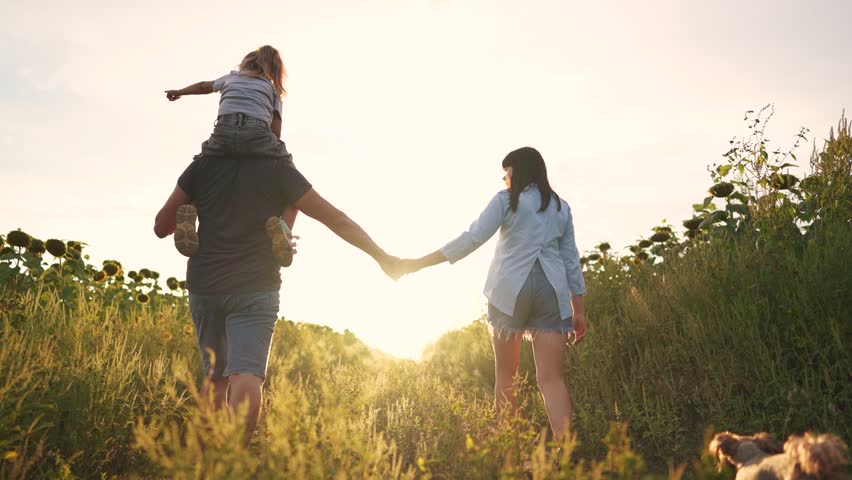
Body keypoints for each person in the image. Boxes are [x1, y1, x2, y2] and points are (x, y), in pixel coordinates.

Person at [154, 151, 399, 443]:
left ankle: (210, 464)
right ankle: (232, 462)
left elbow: (160, 227)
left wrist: (193, 203)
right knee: (246, 375)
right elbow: (337, 219)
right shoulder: (280, 167)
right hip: (255, 285)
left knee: (214, 378)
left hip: (205, 283)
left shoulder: (202, 164)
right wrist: (382, 256)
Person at [399, 147, 588, 439]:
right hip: (552, 292)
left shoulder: (507, 201)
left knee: (506, 375)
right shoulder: (561, 207)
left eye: (506, 173)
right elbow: (570, 260)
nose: (504, 180)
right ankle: (567, 457)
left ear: (517, 171)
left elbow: (472, 238)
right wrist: (579, 310)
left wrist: (419, 263)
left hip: (509, 291)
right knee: (551, 380)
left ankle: (509, 452)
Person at [164, 45, 300, 267]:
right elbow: (275, 132)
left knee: (203, 169)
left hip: (223, 133)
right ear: (276, 70)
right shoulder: (272, 89)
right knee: (289, 172)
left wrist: (179, 92)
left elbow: (202, 86)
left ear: (246, 63)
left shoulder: (231, 78)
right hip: (258, 133)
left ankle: (192, 213)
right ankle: (283, 230)